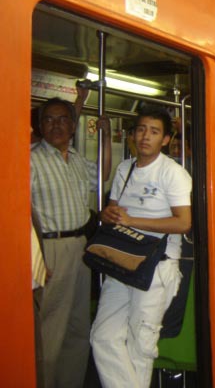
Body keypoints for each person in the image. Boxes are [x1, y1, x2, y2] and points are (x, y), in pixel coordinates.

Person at [90, 106, 192, 388]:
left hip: (157, 267)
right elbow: (114, 210)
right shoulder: (126, 168)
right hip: (122, 262)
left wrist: (132, 219)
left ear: (166, 140)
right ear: (133, 135)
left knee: (141, 343)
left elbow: (183, 223)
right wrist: (106, 215)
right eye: (141, 130)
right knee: (102, 335)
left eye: (155, 131)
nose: (146, 136)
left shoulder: (173, 173)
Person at [30, 97, 111, 388]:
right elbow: (20, 212)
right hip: (49, 248)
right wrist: (35, 259)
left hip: (79, 246)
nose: (56, 125)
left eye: (63, 119)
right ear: (39, 126)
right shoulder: (31, 159)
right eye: (49, 119)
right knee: (50, 327)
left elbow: (101, 176)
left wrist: (106, 138)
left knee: (78, 328)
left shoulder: (75, 158)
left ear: (73, 125)